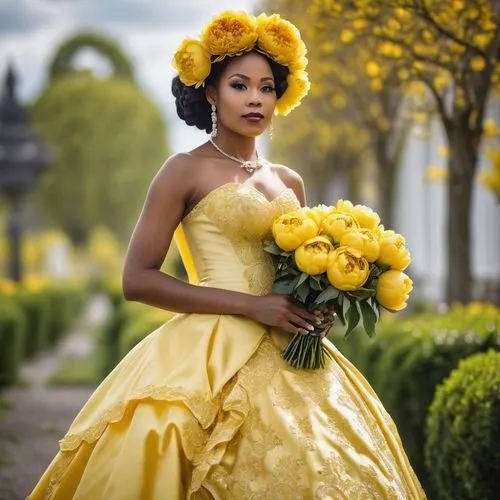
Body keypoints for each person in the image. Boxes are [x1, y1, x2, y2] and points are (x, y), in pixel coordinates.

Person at [29, 11, 426, 500]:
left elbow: (293, 273)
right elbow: (137, 278)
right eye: (240, 85)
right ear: (212, 93)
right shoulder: (183, 171)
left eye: (266, 87)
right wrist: (252, 306)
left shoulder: (289, 181)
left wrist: (317, 310)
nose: (256, 98)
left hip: (291, 350)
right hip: (208, 348)